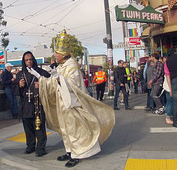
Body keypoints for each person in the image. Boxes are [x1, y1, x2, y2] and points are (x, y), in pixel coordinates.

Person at [27, 30, 115, 168]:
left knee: (75, 130)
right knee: (65, 129)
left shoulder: (72, 66)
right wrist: (41, 80)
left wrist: (58, 78)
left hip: (72, 104)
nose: (55, 55)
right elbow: (53, 82)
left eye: (56, 53)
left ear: (63, 54)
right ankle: (69, 151)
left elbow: (73, 85)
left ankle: (77, 155)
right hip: (63, 103)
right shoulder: (62, 66)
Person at [13, 51, 50, 157]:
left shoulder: (42, 73)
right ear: (24, 62)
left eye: (30, 59)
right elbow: (14, 90)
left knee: (39, 126)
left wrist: (42, 84)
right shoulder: (20, 74)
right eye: (26, 60)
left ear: (33, 59)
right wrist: (19, 85)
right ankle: (30, 146)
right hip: (25, 104)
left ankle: (41, 148)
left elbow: (50, 84)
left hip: (38, 103)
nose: (29, 62)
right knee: (28, 127)